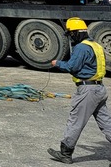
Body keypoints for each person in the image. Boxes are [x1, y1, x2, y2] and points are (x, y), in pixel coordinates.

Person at [47, 17, 111, 163]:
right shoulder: (95, 45)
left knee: (75, 121)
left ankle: (65, 153)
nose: (70, 38)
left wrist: (58, 63)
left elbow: (72, 67)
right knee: (106, 122)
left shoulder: (81, 47)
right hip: (99, 88)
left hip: (87, 90)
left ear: (75, 33)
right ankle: (65, 153)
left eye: (70, 34)